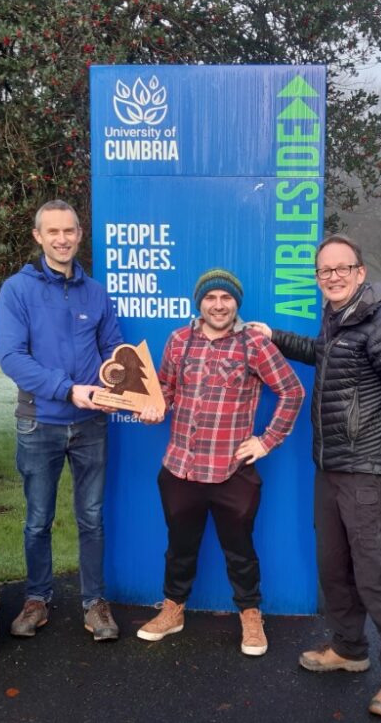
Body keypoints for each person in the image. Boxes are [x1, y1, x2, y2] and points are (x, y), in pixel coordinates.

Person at [248, 235, 381, 718]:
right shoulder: (338, 318)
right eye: (324, 270)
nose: (332, 276)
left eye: (341, 268)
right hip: (331, 467)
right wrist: (274, 336)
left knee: (376, 576)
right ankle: (349, 648)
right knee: (334, 568)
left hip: (369, 471)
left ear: (360, 272)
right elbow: (325, 354)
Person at [136, 268, 304, 656]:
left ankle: (250, 615)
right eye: (210, 298)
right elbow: (166, 389)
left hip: (232, 470)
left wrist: (267, 441)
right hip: (180, 467)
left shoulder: (254, 344)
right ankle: (173, 610)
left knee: (240, 550)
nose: (218, 305)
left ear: (236, 303)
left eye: (226, 298)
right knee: (179, 547)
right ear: (200, 303)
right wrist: (153, 407)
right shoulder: (178, 340)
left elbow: (292, 391)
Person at [0, 199, 124, 642]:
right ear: (38, 236)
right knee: (38, 519)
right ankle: (37, 598)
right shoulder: (17, 290)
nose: (62, 239)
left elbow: (113, 349)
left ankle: (94, 603)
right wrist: (68, 389)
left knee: (91, 517)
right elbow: (12, 358)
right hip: (39, 423)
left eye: (69, 231)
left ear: (79, 235)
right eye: (53, 232)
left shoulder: (96, 292)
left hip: (91, 424)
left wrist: (116, 385)